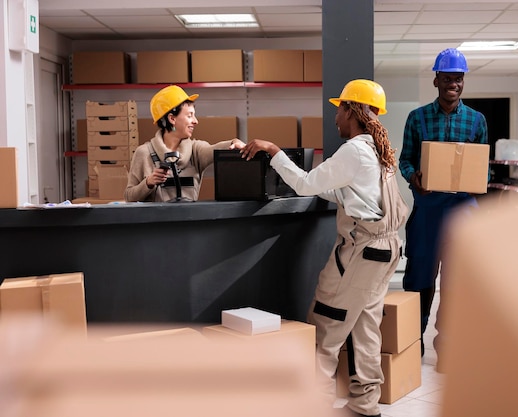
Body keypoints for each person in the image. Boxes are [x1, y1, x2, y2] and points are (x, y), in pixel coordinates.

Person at [241, 79, 408, 417]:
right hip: (386, 250)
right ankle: (365, 404)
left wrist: (275, 153)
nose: (336, 117)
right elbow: (352, 192)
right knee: (364, 326)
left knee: (325, 324)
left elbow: (305, 184)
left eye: (340, 109)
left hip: (362, 252)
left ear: (353, 110)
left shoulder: (354, 150)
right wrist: (321, 184)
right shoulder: (378, 150)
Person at [398, 48, 488, 366]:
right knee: (419, 280)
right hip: (428, 209)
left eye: (458, 78)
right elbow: (404, 160)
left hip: (462, 210)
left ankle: (447, 347)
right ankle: (411, 343)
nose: (453, 83)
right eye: (447, 77)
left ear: (463, 81)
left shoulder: (477, 121)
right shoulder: (417, 118)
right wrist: (415, 177)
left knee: (456, 282)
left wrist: (479, 178)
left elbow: (483, 167)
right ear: (436, 79)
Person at [124, 85, 245, 202]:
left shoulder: (196, 150)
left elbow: (215, 149)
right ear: (172, 119)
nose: (195, 121)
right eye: (189, 115)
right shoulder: (144, 153)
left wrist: (234, 142)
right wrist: (148, 182)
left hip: (189, 221)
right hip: (157, 222)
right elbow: (129, 196)